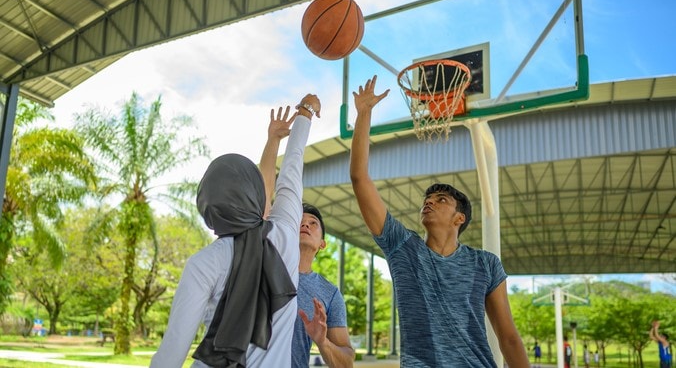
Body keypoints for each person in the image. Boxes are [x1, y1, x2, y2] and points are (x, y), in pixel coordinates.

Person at [348, 74, 530, 367]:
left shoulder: (485, 264)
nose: (429, 202)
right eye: (427, 200)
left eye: (441, 200)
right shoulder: (403, 249)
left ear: (460, 218)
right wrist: (364, 114)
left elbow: (508, 337)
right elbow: (359, 177)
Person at [150, 94, 320, 368]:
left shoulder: (203, 264)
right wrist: (305, 114)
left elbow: (171, 354)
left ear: (208, 212)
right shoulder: (286, 235)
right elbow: (291, 174)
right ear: (254, 195)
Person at [259, 111, 355, 367]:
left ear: (322, 243)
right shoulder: (264, 258)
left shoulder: (328, 294)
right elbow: (264, 192)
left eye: (313, 224)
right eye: (300, 221)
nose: (306, 225)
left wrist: (322, 341)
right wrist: (273, 140)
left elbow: (346, 362)